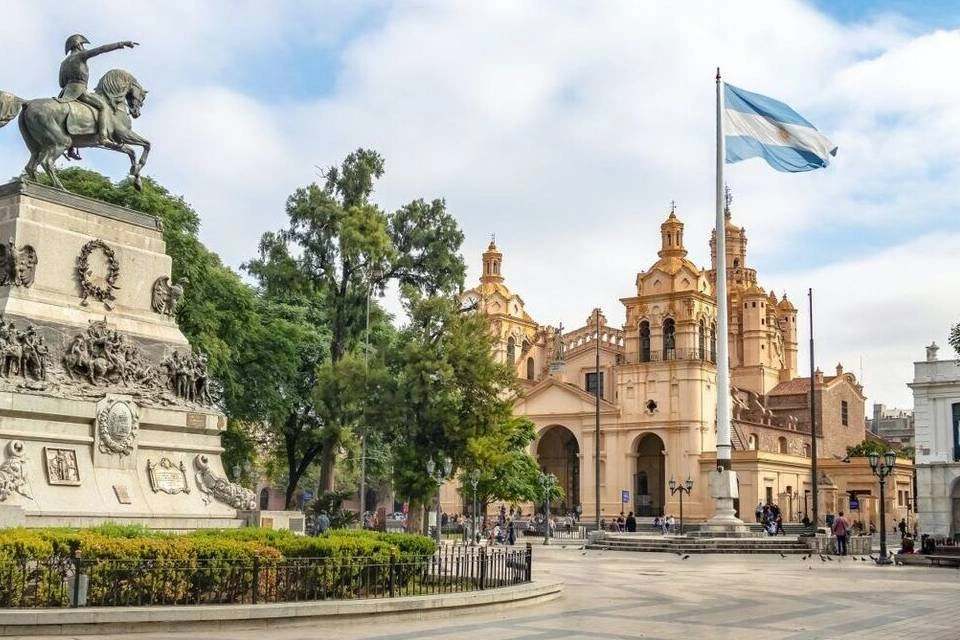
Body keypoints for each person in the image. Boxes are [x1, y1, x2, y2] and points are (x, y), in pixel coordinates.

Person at [57, 34, 138, 153]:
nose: (84, 47)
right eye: (83, 45)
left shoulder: (63, 63)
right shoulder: (80, 55)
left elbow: (61, 82)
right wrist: (121, 44)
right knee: (103, 106)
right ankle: (103, 137)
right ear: (78, 45)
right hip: (79, 91)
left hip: (65, 93)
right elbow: (101, 49)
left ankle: (71, 147)